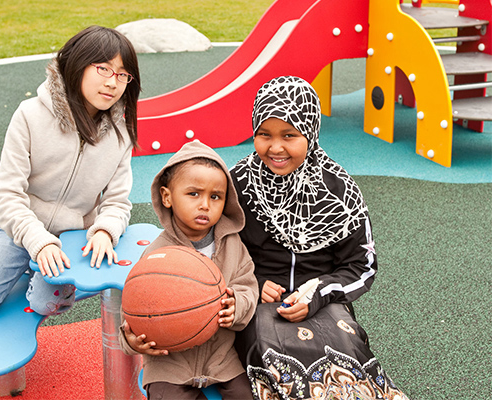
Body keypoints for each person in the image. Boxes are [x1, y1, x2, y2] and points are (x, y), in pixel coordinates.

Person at [0, 25, 141, 319]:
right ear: (78, 65)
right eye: (104, 69)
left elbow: (117, 201)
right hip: (21, 228)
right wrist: (38, 243)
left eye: (123, 74)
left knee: (48, 305)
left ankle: (31, 275)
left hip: (72, 235)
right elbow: (8, 195)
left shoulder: (120, 134)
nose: (113, 82)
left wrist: (105, 231)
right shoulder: (30, 115)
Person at [230, 76, 409, 399]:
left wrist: (319, 292)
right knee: (267, 349)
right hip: (257, 303)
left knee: (347, 347)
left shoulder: (339, 189)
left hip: (324, 301)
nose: (275, 147)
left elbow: (361, 265)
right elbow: (214, 250)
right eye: (264, 134)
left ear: (310, 134)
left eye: (289, 135)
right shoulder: (237, 184)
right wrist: (252, 281)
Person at [119, 140, 259, 399]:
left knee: (246, 395)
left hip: (222, 359)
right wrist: (132, 341)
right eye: (194, 194)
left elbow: (248, 284)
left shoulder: (232, 244)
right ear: (167, 197)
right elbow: (134, 306)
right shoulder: (157, 256)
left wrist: (237, 305)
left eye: (215, 196)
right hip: (169, 363)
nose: (205, 204)